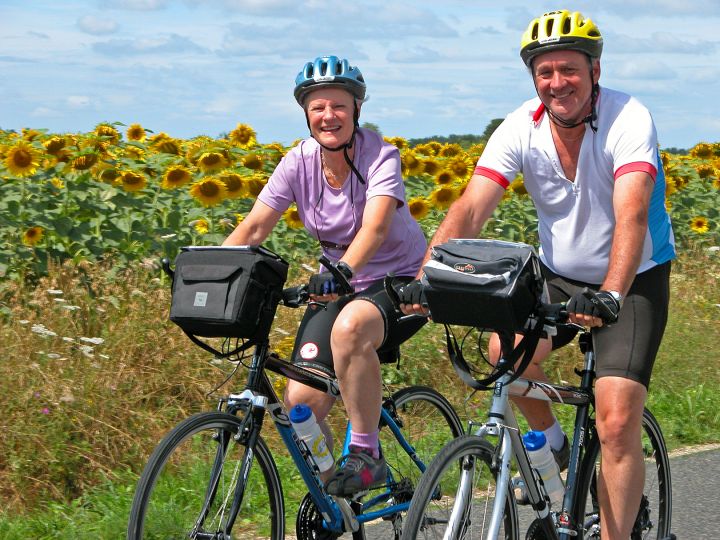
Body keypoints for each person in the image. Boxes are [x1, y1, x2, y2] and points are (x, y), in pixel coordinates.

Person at [399, 10, 675, 539]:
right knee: (506, 355)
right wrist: (426, 277)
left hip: (633, 276)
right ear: (534, 78)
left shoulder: (628, 118)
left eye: (568, 69)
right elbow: (471, 207)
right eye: (545, 72)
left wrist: (612, 294)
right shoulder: (520, 125)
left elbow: (633, 215)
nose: (557, 83)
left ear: (594, 70)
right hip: (560, 272)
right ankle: (555, 446)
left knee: (616, 419)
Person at [223, 55, 427, 496]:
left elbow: (374, 227)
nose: (328, 116)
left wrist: (343, 271)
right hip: (338, 282)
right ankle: (340, 497)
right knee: (301, 409)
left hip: (400, 281)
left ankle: (367, 451)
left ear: (356, 110)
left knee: (351, 328)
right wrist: (211, 269)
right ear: (305, 114)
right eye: (318, 107)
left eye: (338, 105)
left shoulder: (380, 155)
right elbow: (255, 226)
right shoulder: (298, 162)